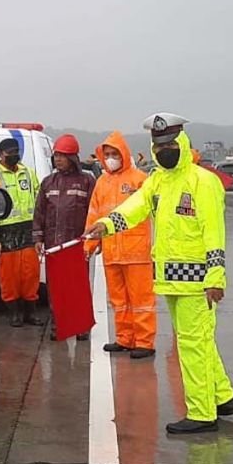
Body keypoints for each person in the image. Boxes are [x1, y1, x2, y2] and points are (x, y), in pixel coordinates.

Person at [85, 113, 233, 434]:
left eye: (170, 143)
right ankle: (223, 398)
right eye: (160, 145)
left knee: (192, 345)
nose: (165, 149)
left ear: (181, 142)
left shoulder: (202, 181)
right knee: (199, 340)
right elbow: (135, 207)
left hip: (198, 281)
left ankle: (201, 413)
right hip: (170, 278)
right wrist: (106, 225)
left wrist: (215, 278)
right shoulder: (158, 181)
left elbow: (214, 233)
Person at [85, 131, 156, 359]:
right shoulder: (101, 183)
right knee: (119, 300)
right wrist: (89, 244)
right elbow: (94, 215)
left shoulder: (140, 180)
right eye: (106, 154)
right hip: (112, 252)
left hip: (137, 252)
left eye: (114, 153)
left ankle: (144, 342)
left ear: (123, 153)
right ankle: (124, 339)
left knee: (141, 300)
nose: (110, 157)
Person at [34, 133, 96, 341]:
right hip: (53, 246)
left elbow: (94, 212)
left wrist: (94, 239)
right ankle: (58, 325)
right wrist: (38, 238)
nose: (58, 159)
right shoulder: (48, 183)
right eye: (56, 155)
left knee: (77, 286)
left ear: (73, 158)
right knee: (56, 289)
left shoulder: (87, 181)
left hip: (76, 244)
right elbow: (39, 213)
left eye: (62, 155)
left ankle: (81, 327)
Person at [0, 137, 44, 328]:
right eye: (9, 153)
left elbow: (39, 201)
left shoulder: (28, 173)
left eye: (16, 152)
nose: (13, 156)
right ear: (0, 155)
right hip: (6, 233)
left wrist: (40, 229)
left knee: (31, 274)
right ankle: (14, 314)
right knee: (9, 278)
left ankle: (31, 312)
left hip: (28, 230)